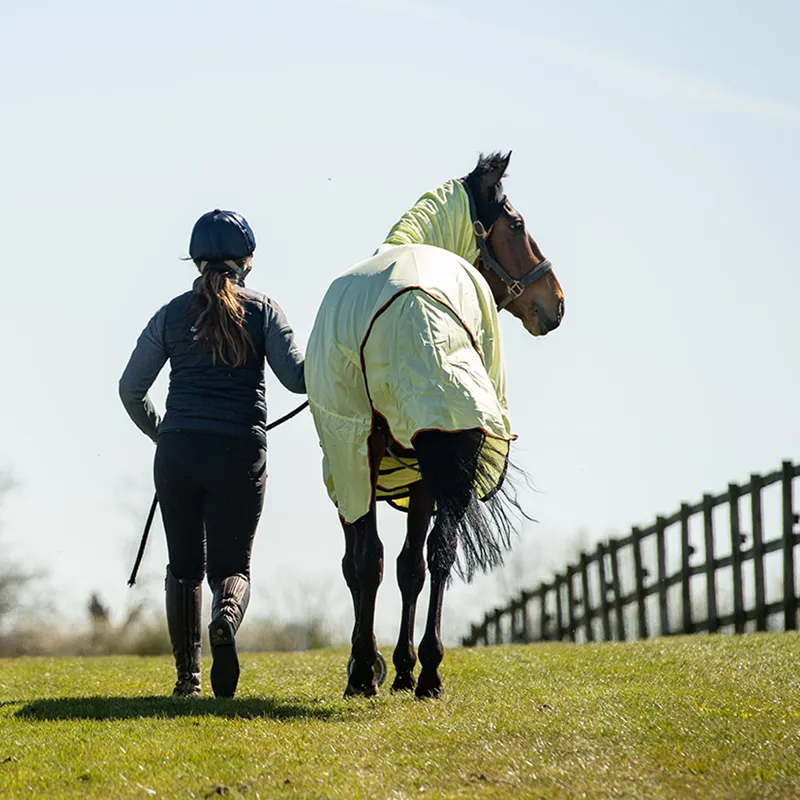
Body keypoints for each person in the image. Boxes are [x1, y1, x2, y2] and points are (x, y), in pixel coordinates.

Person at [119, 209, 306, 698]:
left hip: (178, 453)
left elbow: (130, 389)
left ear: (197, 261)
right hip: (239, 451)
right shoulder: (264, 310)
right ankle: (224, 618)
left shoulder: (169, 314)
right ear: (245, 263)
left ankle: (188, 681)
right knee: (232, 568)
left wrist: (164, 434)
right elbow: (297, 378)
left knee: (184, 568)